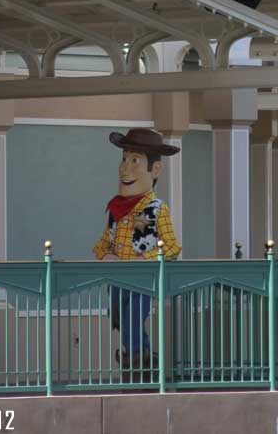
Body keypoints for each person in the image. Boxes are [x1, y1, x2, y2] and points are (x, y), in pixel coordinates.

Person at [92, 128, 181, 379]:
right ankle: (143, 366)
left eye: (135, 161)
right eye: (124, 159)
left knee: (132, 323)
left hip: (142, 280)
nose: (125, 168)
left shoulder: (155, 209)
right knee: (123, 324)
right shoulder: (116, 209)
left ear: (155, 170)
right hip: (117, 280)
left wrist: (145, 259)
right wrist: (103, 255)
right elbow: (104, 242)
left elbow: (172, 247)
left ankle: (138, 373)